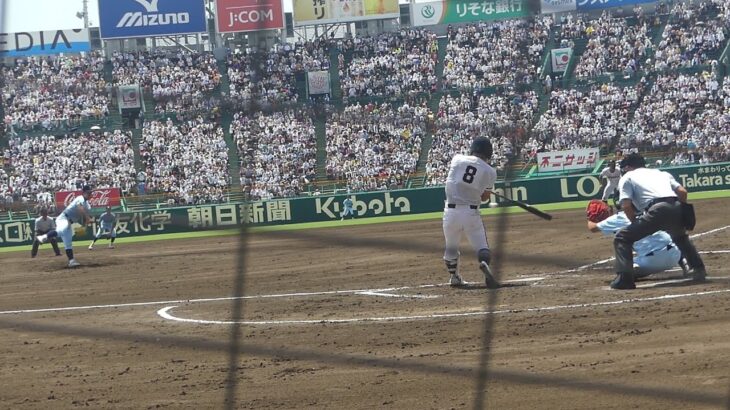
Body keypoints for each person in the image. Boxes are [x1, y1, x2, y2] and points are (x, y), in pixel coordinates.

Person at [611, 153, 706, 289]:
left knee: (622, 237)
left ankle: (625, 278)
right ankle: (699, 270)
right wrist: (679, 211)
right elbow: (683, 192)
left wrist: (635, 223)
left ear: (629, 167)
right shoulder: (662, 173)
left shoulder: (627, 177)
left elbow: (626, 205)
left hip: (656, 209)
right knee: (680, 237)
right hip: (676, 206)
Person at [442, 137, 499, 289]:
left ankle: (454, 277)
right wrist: (485, 191)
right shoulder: (490, 172)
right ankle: (484, 263)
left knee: (451, 247)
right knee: (482, 246)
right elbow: (484, 198)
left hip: (450, 212)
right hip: (471, 213)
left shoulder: (457, 159)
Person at [586, 200, 687, 278]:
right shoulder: (647, 210)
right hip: (675, 254)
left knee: (620, 267)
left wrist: (590, 216)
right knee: (671, 237)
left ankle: (631, 272)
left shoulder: (618, 218)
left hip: (652, 262)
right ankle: (686, 263)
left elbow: (592, 228)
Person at [36, 185, 93, 268]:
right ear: (84, 193)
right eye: (88, 192)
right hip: (63, 218)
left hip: (69, 222)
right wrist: (88, 218)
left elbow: (84, 216)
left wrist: (84, 225)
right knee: (61, 230)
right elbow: (80, 208)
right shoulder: (80, 198)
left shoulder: (87, 205)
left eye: (91, 192)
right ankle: (42, 237)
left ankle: (71, 261)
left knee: (68, 243)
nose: (90, 194)